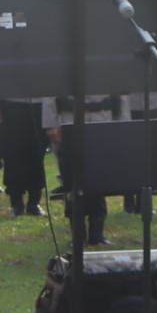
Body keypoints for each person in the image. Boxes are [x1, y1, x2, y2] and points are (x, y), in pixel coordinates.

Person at [43, 94, 124, 246]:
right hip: (69, 121)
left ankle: (97, 233)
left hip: (102, 120)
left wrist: (122, 124)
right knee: (72, 182)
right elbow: (50, 93)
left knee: (99, 180)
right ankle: (78, 235)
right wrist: (51, 124)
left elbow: (119, 93)